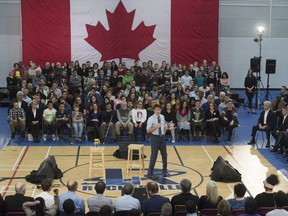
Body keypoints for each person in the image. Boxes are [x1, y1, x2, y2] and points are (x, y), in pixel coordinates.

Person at [146, 104, 167, 179]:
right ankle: (149, 174)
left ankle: (164, 171)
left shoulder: (162, 117)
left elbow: (163, 127)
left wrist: (167, 128)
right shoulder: (151, 119)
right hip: (155, 138)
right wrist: (156, 127)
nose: (158, 111)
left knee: (164, 155)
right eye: (156, 109)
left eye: (159, 109)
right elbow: (148, 130)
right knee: (154, 156)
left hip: (162, 137)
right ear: (154, 110)